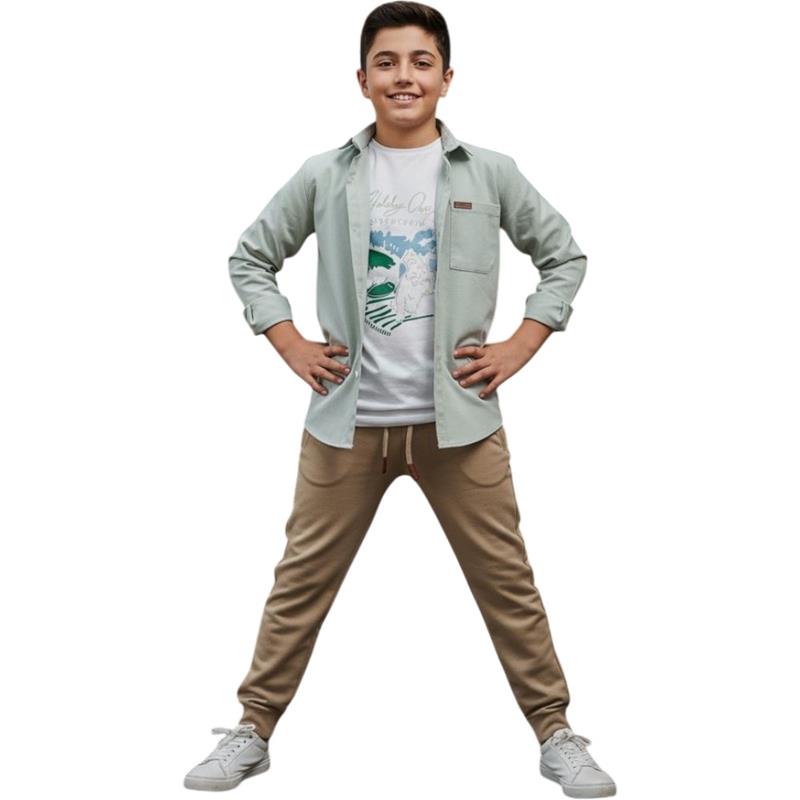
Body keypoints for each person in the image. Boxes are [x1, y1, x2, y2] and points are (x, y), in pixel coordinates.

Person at [184, 3, 616, 797]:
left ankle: (556, 732)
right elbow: (250, 258)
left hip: (461, 427)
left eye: (421, 62)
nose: (404, 77)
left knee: (508, 585)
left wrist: (522, 344)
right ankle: (254, 728)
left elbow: (564, 256)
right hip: (346, 423)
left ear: (447, 78)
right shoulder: (325, 174)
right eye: (387, 63)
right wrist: (290, 343)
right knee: (299, 585)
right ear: (362, 80)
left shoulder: (489, 173)